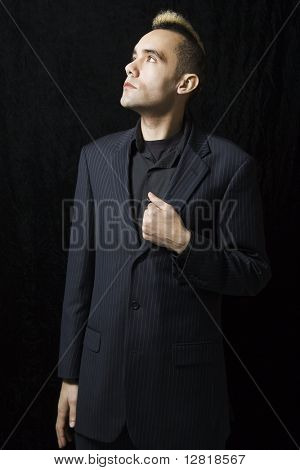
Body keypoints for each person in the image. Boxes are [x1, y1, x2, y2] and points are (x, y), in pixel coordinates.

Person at [55, 9, 272, 450]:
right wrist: (70, 375)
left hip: (184, 407)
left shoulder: (231, 166)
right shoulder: (94, 159)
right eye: (133, 56)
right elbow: (80, 276)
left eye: (150, 58)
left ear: (185, 83)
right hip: (99, 398)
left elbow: (254, 272)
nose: (130, 66)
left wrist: (185, 243)